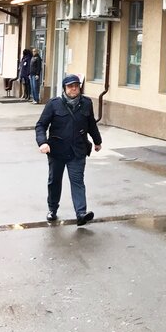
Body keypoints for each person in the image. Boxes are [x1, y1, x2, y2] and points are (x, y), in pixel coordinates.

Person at [35, 74, 102, 226]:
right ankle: (52, 209)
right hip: (57, 151)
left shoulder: (86, 103)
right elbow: (41, 125)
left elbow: (91, 124)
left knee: (77, 181)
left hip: (77, 150)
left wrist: (97, 141)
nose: (74, 89)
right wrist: (42, 142)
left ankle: (81, 213)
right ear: (64, 88)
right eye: (70, 86)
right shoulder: (54, 104)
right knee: (54, 181)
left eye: (76, 86)